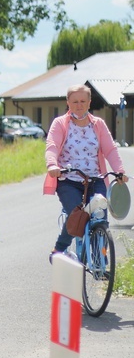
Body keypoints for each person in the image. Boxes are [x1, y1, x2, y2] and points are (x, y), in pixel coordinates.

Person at [45, 84, 127, 260]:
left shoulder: (98, 124)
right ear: (68, 102)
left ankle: (100, 261)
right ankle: (59, 249)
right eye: (75, 101)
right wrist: (52, 165)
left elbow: (110, 150)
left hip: (96, 179)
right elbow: (51, 146)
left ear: (89, 102)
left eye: (83, 101)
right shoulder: (60, 124)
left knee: (100, 218)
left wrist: (119, 171)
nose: (79, 105)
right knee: (77, 215)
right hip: (69, 179)